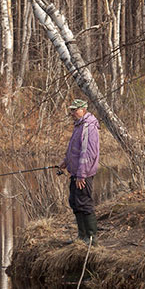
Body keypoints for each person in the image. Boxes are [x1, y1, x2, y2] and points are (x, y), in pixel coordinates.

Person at [57, 98, 100, 244]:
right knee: (75, 202)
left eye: (75, 110)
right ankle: (82, 237)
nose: (72, 113)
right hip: (75, 173)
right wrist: (66, 161)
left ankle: (91, 238)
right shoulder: (79, 125)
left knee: (84, 203)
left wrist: (82, 174)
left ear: (83, 110)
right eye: (71, 110)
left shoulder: (89, 126)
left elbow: (88, 153)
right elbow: (74, 149)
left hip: (84, 174)